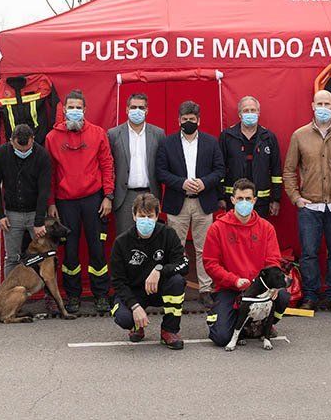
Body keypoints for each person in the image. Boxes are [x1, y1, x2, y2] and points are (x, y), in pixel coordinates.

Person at [282, 89, 331, 314]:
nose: (323, 108)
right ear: (312, 106)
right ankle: (310, 296)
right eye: (319, 104)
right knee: (308, 254)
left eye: (327, 104)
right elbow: (289, 171)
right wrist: (296, 199)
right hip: (309, 205)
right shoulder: (299, 135)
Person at [44, 89, 115, 314]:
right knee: (70, 252)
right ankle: (72, 296)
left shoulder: (98, 133)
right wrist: (51, 202)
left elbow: (107, 165)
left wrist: (108, 196)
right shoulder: (52, 138)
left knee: (97, 250)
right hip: (65, 202)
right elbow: (51, 174)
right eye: (70, 107)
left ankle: (101, 295)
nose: (74, 111)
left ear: (85, 110)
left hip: (93, 200)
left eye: (78, 108)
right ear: (63, 110)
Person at [203, 179, 291, 347]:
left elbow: (273, 260)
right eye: (240, 198)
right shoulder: (217, 228)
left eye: (248, 199)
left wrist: (273, 287)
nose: (244, 203)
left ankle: (265, 324)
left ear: (254, 201)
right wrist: (234, 280)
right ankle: (238, 322)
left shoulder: (266, 228)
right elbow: (210, 264)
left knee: (283, 296)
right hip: (230, 288)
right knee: (221, 338)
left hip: (260, 288)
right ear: (233, 200)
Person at [155, 100, 224, 307]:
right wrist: (181, 183)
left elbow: (220, 170)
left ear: (199, 120)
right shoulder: (167, 143)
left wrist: (204, 183)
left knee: (204, 249)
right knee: (175, 248)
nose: (188, 123)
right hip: (178, 201)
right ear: (178, 120)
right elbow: (161, 172)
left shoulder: (211, 143)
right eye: (184, 119)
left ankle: (205, 289)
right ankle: (175, 286)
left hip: (203, 202)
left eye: (192, 119)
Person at [109, 193, 189, 350]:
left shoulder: (168, 234)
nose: (145, 220)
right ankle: (136, 325)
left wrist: (160, 270)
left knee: (177, 281)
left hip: (160, 289)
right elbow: (117, 281)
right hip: (134, 293)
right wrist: (134, 306)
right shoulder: (121, 242)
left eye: (150, 216)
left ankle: (169, 330)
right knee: (124, 318)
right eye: (141, 216)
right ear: (134, 216)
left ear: (157, 216)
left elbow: (184, 264)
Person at [0, 123, 52, 276]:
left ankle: (47, 294)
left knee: (44, 257)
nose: (23, 152)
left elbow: (44, 189)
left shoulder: (42, 155)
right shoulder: (1, 154)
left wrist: (39, 221)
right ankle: (8, 296)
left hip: (35, 212)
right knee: (12, 258)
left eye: (27, 149)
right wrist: (0, 215)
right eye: (19, 149)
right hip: (12, 215)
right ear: (11, 141)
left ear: (33, 139)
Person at [108, 93, 165, 237]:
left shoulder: (158, 133)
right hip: (124, 196)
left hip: (151, 193)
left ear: (147, 110)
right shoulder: (114, 134)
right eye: (133, 107)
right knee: (125, 238)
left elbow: (163, 164)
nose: (137, 111)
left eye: (141, 107)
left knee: (151, 237)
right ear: (126, 109)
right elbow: (108, 166)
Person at [218, 96, 282, 218]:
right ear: (239, 114)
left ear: (259, 112)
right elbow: (219, 169)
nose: (250, 113)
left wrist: (276, 199)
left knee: (258, 235)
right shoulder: (227, 137)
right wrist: (220, 197)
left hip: (261, 201)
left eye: (253, 110)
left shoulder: (268, 137)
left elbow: (276, 171)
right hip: (234, 200)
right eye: (246, 110)